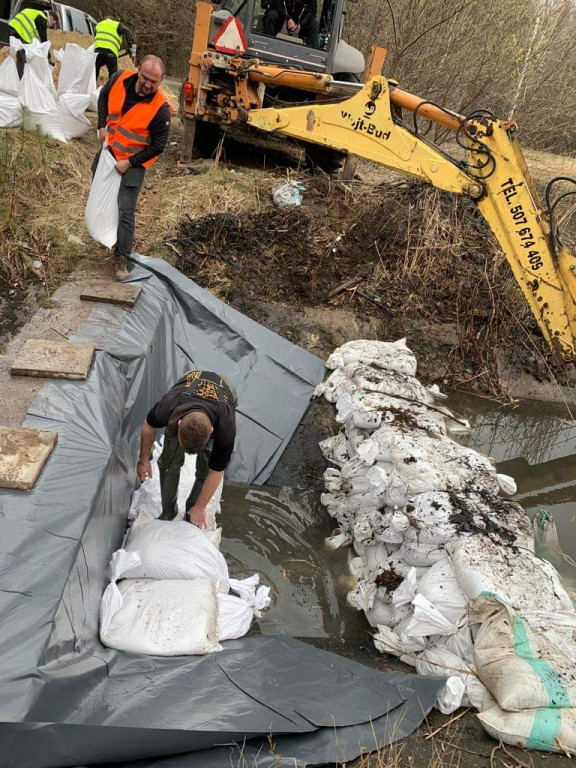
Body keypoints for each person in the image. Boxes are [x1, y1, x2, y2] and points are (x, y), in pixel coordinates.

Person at [94, 55, 171, 281]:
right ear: (138, 69)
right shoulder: (119, 78)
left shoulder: (161, 110)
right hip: (109, 153)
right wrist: (101, 125)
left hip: (133, 162)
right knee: (101, 195)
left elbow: (158, 146)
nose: (147, 84)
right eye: (145, 77)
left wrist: (130, 163)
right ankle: (107, 235)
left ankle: (121, 260)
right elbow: (103, 96)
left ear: (162, 80)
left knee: (125, 210)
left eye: (153, 82)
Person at [137, 371, 238, 528]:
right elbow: (149, 425)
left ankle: (192, 513)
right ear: (179, 423)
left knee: (206, 469)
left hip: (225, 388)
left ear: (212, 430)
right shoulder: (170, 404)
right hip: (192, 379)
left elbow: (217, 470)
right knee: (168, 464)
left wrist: (200, 507)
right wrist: (143, 461)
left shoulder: (225, 425)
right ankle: (168, 512)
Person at [9, 9, 59, 78]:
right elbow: (43, 38)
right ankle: (23, 80)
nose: (50, 26)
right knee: (24, 58)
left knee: (20, 56)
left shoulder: (36, 13)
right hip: (21, 31)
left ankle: (20, 79)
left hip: (14, 26)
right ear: (51, 18)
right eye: (52, 24)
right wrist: (48, 57)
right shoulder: (43, 18)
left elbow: (36, 35)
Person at [93, 16, 135, 81]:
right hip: (111, 52)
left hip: (97, 51)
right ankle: (111, 88)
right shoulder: (117, 25)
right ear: (113, 20)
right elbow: (127, 31)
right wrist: (130, 46)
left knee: (95, 71)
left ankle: (92, 87)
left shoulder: (99, 24)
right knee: (113, 74)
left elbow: (96, 35)